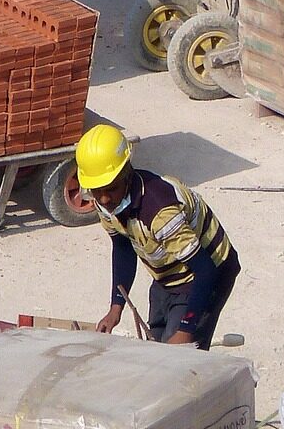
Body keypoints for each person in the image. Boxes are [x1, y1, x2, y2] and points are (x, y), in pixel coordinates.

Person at [74, 125, 241, 350]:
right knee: (155, 348)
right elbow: (123, 248)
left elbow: (205, 270)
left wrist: (186, 330)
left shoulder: (161, 213)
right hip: (167, 276)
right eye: (96, 190)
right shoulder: (107, 204)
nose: (104, 199)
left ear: (126, 174)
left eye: (111, 189)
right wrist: (116, 307)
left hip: (206, 274)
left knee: (179, 357)